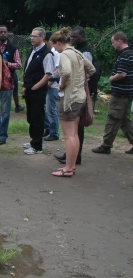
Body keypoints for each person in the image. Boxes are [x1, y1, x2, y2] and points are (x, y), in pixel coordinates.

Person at [50, 29, 96, 177]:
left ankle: (68, 168)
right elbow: (92, 69)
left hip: (70, 99)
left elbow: (67, 72)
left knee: (68, 135)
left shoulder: (64, 54)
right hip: (81, 97)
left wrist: (62, 85)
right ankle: (71, 166)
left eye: (54, 46)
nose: (54, 49)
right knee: (74, 133)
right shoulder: (77, 52)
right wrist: (80, 79)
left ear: (59, 42)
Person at [92, 31, 133, 155]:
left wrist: (111, 79)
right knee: (125, 120)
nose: (112, 45)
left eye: (113, 42)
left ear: (119, 41)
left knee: (113, 118)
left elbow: (122, 74)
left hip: (120, 93)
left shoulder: (124, 55)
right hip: (128, 92)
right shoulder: (131, 53)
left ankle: (106, 145)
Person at [22, 27, 55, 154]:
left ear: (42, 37)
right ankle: (33, 140)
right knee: (30, 116)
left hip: (38, 90)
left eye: (35, 36)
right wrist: (26, 86)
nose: (32, 38)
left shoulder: (46, 54)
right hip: (30, 88)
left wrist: (37, 86)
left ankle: (37, 146)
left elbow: (48, 74)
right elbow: (28, 70)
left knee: (37, 117)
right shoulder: (33, 50)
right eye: (31, 36)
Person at [0, 25, 23, 143]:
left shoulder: (13, 48)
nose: (3, 34)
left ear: (7, 33)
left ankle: (3, 135)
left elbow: (18, 64)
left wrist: (6, 64)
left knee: (5, 110)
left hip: (9, 80)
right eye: (0, 32)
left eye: (5, 32)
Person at [43, 36, 60, 142]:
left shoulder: (55, 52)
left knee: (51, 110)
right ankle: (48, 129)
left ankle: (54, 132)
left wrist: (50, 81)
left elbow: (57, 69)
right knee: (46, 109)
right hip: (48, 84)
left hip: (52, 85)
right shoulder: (50, 51)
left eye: (47, 41)